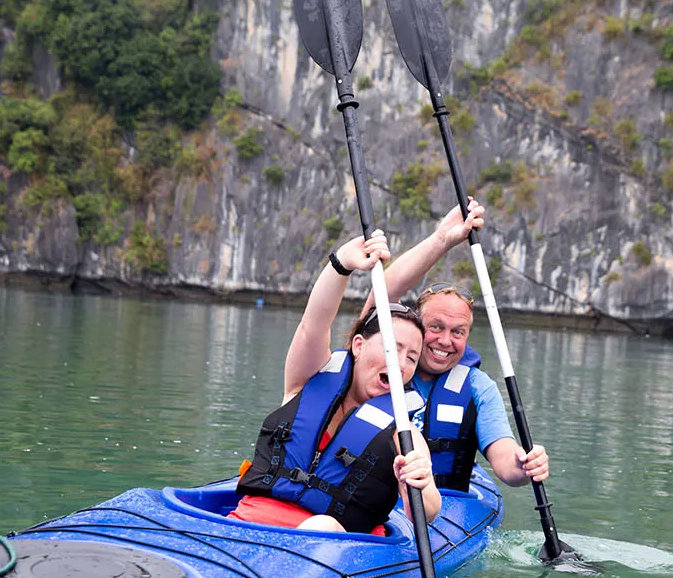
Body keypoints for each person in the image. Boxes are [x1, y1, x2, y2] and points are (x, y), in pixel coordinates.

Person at [231, 231, 440, 535]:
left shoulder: (404, 435)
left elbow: (429, 509)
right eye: (392, 348)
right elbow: (313, 325)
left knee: (323, 524)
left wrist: (419, 484)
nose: (401, 364)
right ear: (358, 345)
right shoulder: (307, 381)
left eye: (412, 357)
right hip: (244, 527)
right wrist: (341, 263)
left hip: (329, 543)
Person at [364, 198, 550, 492]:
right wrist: (442, 240)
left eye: (458, 332)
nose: (445, 341)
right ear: (416, 326)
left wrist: (524, 464)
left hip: (445, 503)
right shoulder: (383, 368)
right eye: (435, 327)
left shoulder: (478, 388)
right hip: (374, 497)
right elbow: (382, 294)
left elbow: (505, 460)